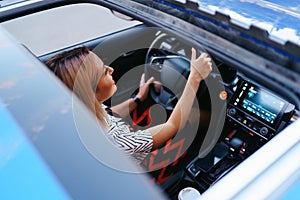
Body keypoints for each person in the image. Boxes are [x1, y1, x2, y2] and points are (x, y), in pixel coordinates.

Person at [46, 46, 212, 164]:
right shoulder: (121, 143)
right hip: (139, 173)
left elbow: (108, 113)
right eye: (104, 71)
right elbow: (172, 125)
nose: (111, 69)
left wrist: (138, 99)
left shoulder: (82, 111)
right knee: (193, 117)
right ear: (90, 91)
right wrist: (195, 77)